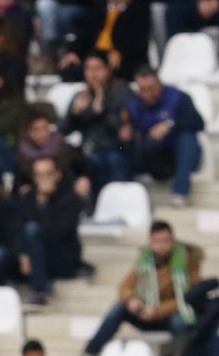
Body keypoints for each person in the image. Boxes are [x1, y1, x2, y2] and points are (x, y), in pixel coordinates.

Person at [77, 220, 204, 356]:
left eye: (166, 241)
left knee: (180, 321)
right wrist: (132, 300)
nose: (162, 246)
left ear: (173, 241)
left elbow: (188, 298)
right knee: (119, 307)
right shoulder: (144, 261)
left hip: (171, 315)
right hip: (146, 314)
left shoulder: (187, 263)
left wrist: (156, 311)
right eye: (157, 241)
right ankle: (90, 353)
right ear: (150, 242)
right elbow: (125, 287)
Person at [125, 68, 206, 207]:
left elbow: (198, 122)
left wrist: (169, 125)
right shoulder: (134, 104)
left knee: (187, 137)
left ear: (160, 84)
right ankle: (126, 200)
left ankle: (180, 192)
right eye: (143, 89)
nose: (147, 93)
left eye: (151, 88)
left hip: (178, 157)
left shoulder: (178, 97)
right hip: (152, 157)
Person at [13, 156, 87, 307]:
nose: (44, 179)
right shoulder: (27, 198)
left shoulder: (70, 199)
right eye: (39, 175)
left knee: (32, 229)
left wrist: (45, 203)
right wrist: (23, 254)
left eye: (48, 174)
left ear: (57, 175)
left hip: (61, 257)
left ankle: (40, 291)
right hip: (33, 258)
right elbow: (16, 229)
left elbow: (59, 232)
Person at [63, 51, 134, 197]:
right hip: (89, 150)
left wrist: (102, 109)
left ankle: (115, 204)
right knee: (85, 162)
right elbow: (64, 130)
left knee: (109, 159)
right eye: (88, 69)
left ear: (108, 70)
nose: (92, 74)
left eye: (97, 68)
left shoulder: (121, 91)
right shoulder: (81, 96)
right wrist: (74, 114)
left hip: (118, 148)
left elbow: (124, 129)